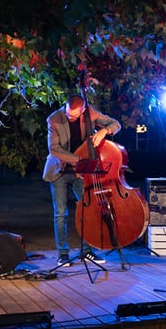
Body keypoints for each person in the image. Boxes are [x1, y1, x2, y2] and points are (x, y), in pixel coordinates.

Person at [42, 94, 121, 267]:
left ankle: (86, 251)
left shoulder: (90, 113)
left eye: (74, 115)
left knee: (88, 210)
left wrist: (104, 131)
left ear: (83, 110)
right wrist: (78, 159)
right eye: (68, 114)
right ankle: (63, 254)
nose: (70, 117)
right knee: (60, 213)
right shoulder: (54, 119)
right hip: (59, 170)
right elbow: (54, 149)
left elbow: (115, 124)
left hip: (81, 173)